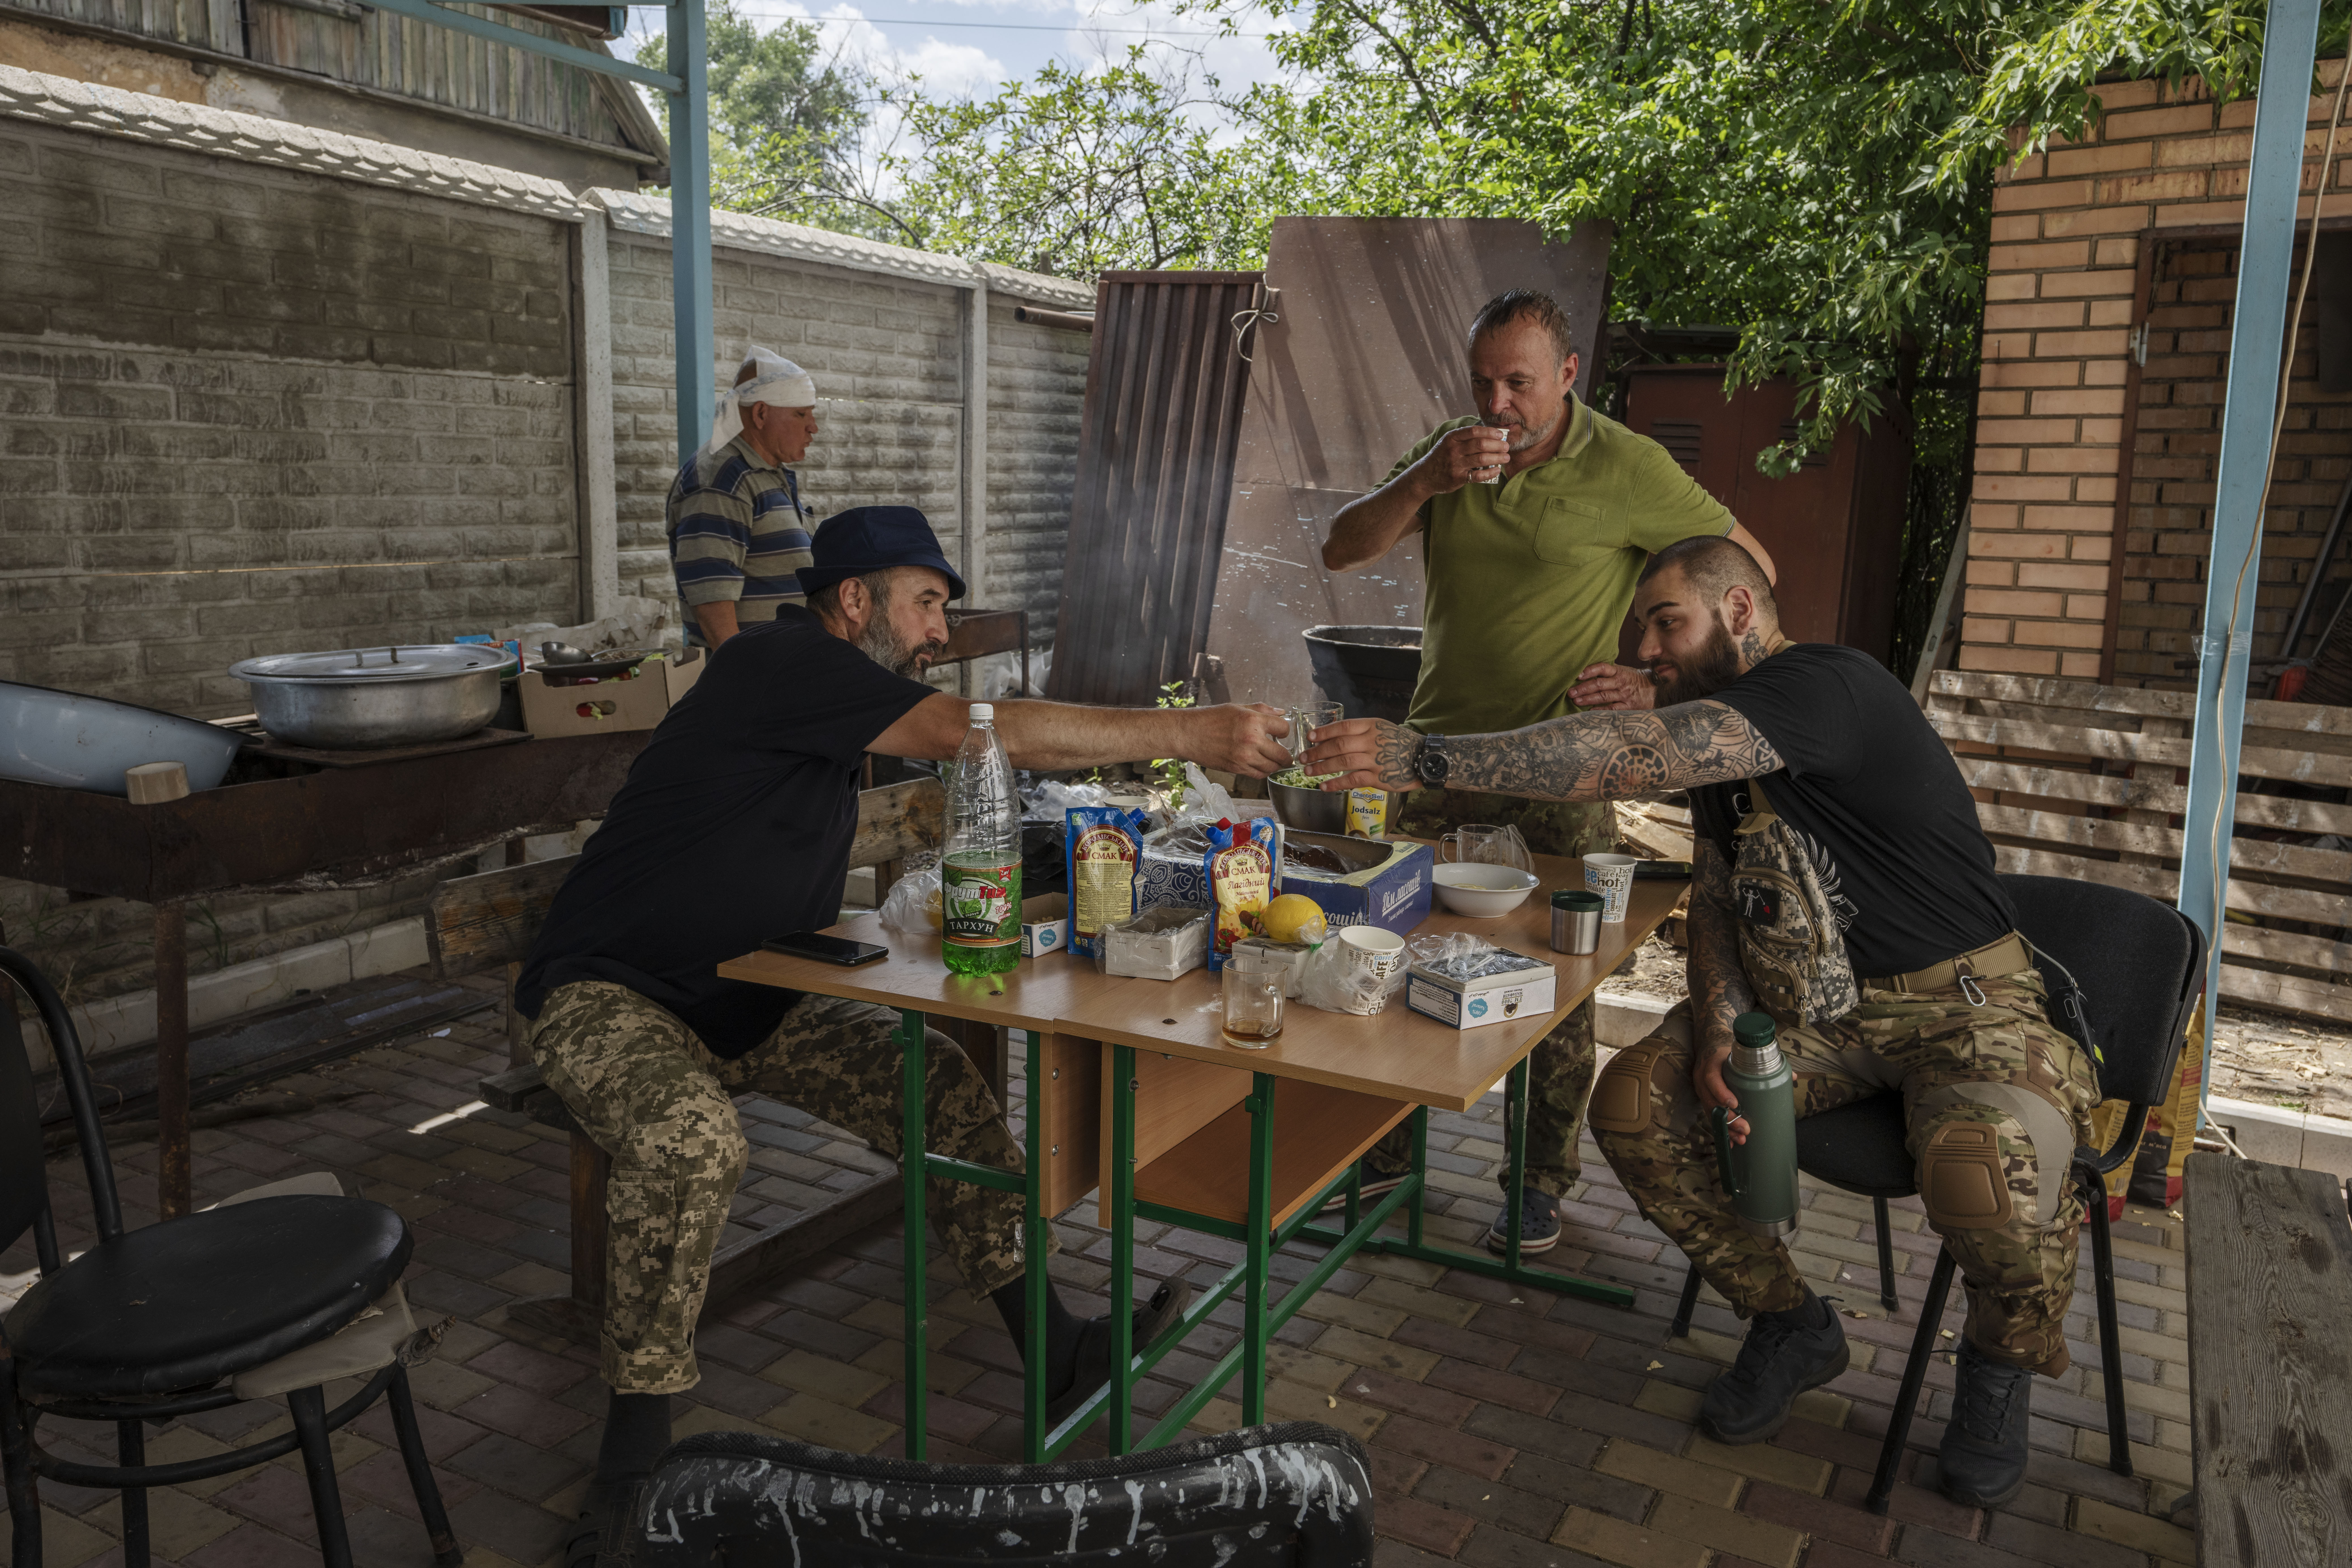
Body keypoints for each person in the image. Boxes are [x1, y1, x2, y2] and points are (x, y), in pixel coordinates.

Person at [518, 506, 1293, 1561]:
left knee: (931, 1077)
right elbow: (971, 730)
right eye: (924, 602)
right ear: (851, 600)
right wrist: (1187, 731)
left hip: (745, 996)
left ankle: (1055, 1344)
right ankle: (631, 1464)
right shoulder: (775, 659)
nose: (938, 630)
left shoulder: (830, 701)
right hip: (610, 994)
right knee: (692, 1141)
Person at [1304, 534, 2094, 1512]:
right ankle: (1788, 1321)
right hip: (1810, 1010)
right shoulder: (1733, 751)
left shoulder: (1824, 687)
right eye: (1643, 626)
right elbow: (1722, 896)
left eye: (1663, 619)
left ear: (1736, 611)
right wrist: (1720, 1019)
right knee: (1635, 1103)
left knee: (1982, 1160)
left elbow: (1627, 756)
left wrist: (1420, 753)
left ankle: (1997, 1365)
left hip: (1961, 1008)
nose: (1644, 647)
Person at [1321, 289, 1777, 1256]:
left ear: (1568, 375)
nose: (1497, 405)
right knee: (1387, 949)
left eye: (1518, 384)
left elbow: (1749, 579)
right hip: (1430, 756)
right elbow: (1338, 547)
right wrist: (1421, 484)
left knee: (1552, 982)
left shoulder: (1625, 466)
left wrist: (1661, 684)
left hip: (1559, 773)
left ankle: (1535, 1183)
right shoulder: (1452, 450)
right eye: (1483, 382)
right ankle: (1383, 1155)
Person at [666, 347, 822, 651]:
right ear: (761, 414)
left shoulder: (767, 473)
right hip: (756, 679)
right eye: (801, 414)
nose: (812, 427)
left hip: (786, 669)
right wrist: (740, 677)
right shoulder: (721, 478)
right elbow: (712, 599)